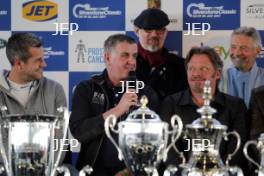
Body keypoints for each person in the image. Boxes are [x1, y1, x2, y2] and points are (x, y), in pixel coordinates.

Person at [69, 34, 159, 176]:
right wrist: (118, 110)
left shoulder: (146, 94)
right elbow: (79, 132)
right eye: (125, 55)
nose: (132, 62)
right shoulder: (86, 88)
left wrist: (131, 171)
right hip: (92, 172)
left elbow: (154, 142)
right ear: (107, 58)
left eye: (134, 56)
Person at [159, 46, 249, 175]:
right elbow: (169, 151)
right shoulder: (170, 104)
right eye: (191, 69)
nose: (196, 74)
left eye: (203, 69)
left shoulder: (236, 106)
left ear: (217, 73)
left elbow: (237, 152)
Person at [0, 32, 76, 175]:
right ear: (18, 63)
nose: (44, 64)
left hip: (49, 169)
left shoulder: (55, 89)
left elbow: (60, 140)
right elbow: (1, 143)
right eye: (38, 60)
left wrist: (41, 169)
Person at [134, 8, 188, 101]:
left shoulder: (181, 66)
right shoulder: (124, 64)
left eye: (159, 30)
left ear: (166, 33)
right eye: (148, 29)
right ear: (137, 31)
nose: (154, 35)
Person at [225, 26, 264, 107]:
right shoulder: (219, 78)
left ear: (257, 50)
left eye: (244, 48)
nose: (237, 53)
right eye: (233, 47)